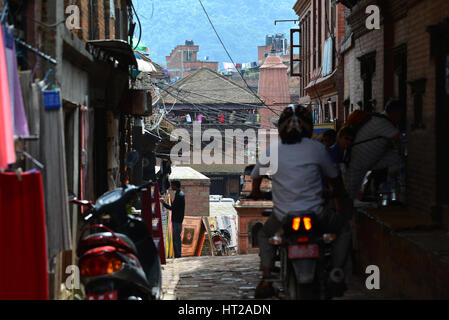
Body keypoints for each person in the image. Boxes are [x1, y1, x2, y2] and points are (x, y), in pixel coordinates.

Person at [250, 104, 352, 299]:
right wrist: (337, 193)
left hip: (283, 216)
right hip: (316, 214)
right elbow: (334, 179)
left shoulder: (272, 151)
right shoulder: (317, 148)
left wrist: (256, 193)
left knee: (264, 236)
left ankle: (266, 277)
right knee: (343, 229)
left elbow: (255, 177)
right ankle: (337, 271)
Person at [344, 99, 402, 201]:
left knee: (396, 158)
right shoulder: (383, 122)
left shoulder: (378, 119)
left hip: (367, 161)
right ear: (395, 112)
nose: (401, 118)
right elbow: (399, 139)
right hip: (358, 163)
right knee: (349, 194)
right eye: (400, 114)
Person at [160, 180, 185, 258]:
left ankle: (178, 255)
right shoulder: (179, 194)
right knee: (177, 238)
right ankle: (178, 254)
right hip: (178, 219)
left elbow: (172, 208)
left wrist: (163, 203)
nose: (171, 187)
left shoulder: (179, 195)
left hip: (177, 220)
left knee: (176, 238)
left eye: (172, 185)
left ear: (175, 186)